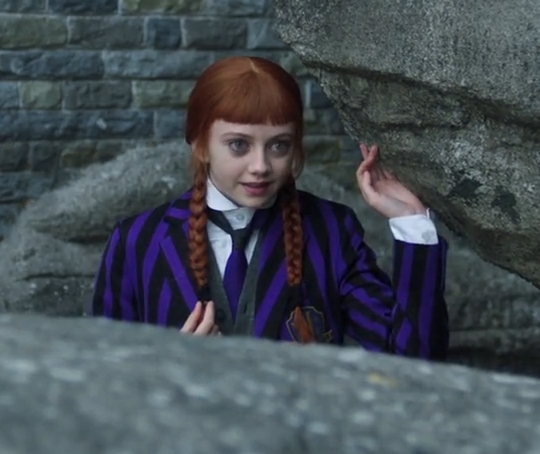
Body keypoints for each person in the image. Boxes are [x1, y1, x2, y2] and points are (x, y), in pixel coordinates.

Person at [90, 56, 449, 360]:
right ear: (200, 144)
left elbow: (412, 360)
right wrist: (167, 366)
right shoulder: (137, 241)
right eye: (238, 145)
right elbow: (101, 380)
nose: (261, 166)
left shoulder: (331, 231)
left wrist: (411, 223)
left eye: (279, 146)